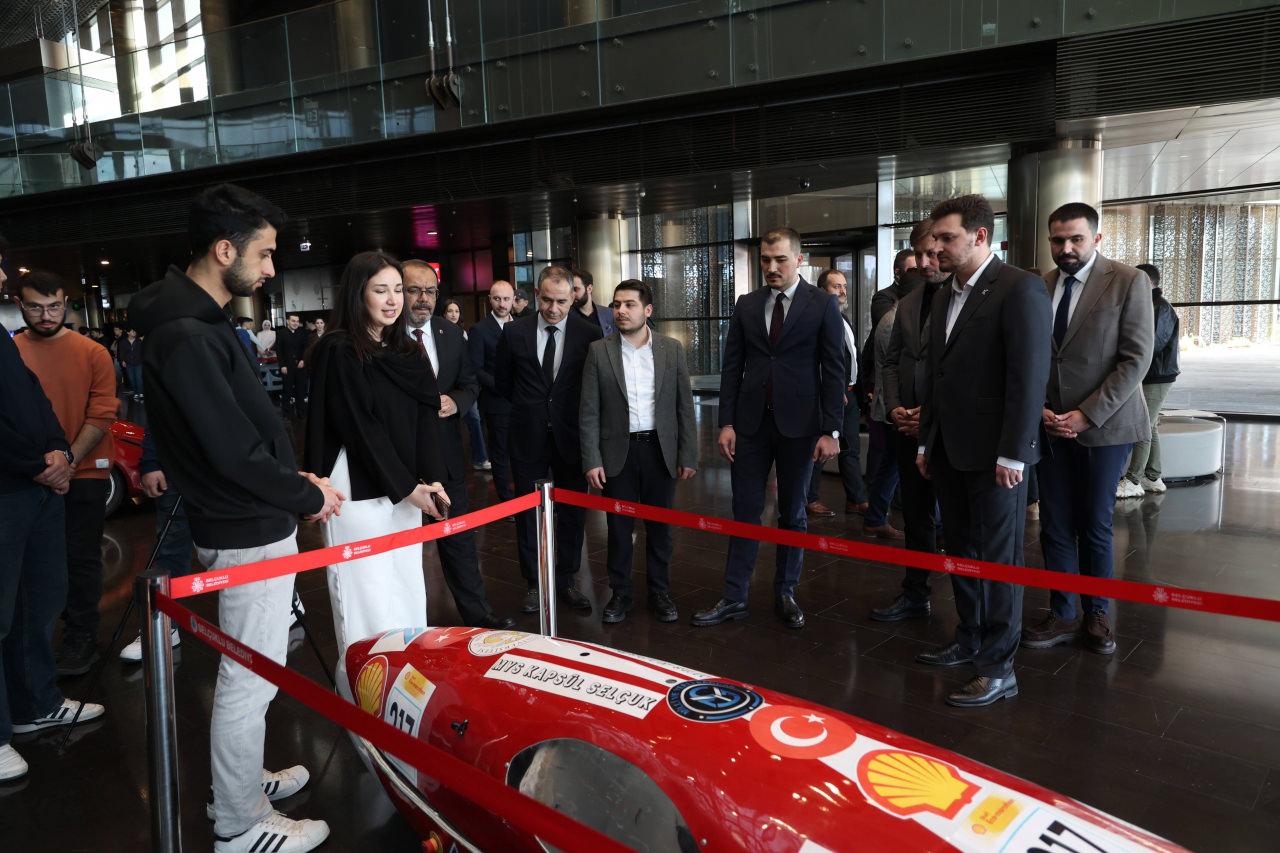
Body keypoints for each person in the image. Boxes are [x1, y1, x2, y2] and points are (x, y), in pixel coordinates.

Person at [130, 183, 341, 853]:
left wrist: (294, 483)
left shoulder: (199, 322)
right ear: (225, 250)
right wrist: (305, 494)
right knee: (247, 678)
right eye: (265, 254)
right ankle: (238, 821)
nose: (271, 268)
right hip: (243, 524)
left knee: (255, 669)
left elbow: (242, 433)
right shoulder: (187, 332)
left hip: (251, 516)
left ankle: (241, 781)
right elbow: (230, 450)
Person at [914, 194, 1051, 708]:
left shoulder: (1019, 288)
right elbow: (937, 375)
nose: (937, 248)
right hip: (949, 449)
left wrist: (1014, 454)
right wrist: (926, 440)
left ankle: (998, 667)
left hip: (997, 456)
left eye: (947, 238)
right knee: (960, 551)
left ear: (980, 236)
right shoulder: (942, 294)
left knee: (998, 559)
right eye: (935, 238)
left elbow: (1028, 377)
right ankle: (968, 637)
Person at [692, 227, 844, 631]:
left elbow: (834, 369)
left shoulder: (822, 304)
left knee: (793, 513)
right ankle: (734, 596)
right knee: (744, 510)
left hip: (801, 426)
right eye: (765, 259)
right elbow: (732, 367)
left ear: (799, 259)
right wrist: (726, 422)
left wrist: (832, 430)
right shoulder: (747, 304)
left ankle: (786, 592)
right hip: (750, 425)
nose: (771, 267)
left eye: (780, 259)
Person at [1021, 203, 1154, 657]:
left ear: (1096, 239)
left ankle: (1097, 613)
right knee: (1055, 523)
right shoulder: (1039, 286)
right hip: (1050, 426)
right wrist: (1039, 409)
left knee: (1094, 523)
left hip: (1105, 426)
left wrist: (1086, 414)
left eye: (1076, 239)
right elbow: (1033, 355)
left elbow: (1135, 359)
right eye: (1058, 240)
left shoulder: (1128, 281)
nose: (1066, 248)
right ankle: (1062, 612)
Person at [305, 252, 451, 654]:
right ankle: (364, 682)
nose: (393, 300)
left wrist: (432, 480)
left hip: (405, 485)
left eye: (398, 290)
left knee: (407, 583)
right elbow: (359, 426)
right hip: (356, 485)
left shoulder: (408, 350)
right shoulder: (340, 350)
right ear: (359, 294)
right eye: (380, 290)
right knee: (365, 592)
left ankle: (405, 674)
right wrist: (408, 487)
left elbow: (425, 416)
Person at [1, 250, 105, 782]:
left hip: (37, 485)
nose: (2, 275)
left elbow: (33, 402)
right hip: (14, 484)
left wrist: (60, 454)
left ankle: (35, 703)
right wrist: (40, 464)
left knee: (39, 601)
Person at [15, 270, 120, 676]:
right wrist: (41, 466)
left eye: (54, 306)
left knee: (81, 558)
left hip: (85, 471)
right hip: (30, 473)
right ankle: (38, 643)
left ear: (65, 303)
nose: (46, 315)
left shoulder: (93, 352)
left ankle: (82, 636)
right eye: (36, 307)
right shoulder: (11, 352)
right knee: (35, 564)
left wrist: (67, 460)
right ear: (20, 305)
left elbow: (102, 413)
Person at [402, 260, 513, 630]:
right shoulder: (383, 334)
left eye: (430, 291)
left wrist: (457, 401)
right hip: (399, 463)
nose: (423, 299)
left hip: (446, 458)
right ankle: (405, 625)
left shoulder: (449, 333)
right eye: (414, 290)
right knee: (401, 548)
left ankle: (479, 617)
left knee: (458, 541)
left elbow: (470, 383)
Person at [580, 280, 697, 624]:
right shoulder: (598, 351)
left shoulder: (671, 349)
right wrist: (591, 459)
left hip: (660, 451)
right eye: (616, 304)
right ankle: (620, 593)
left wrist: (688, 454)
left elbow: (684, 406)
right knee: (619, 529)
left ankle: (660, 592)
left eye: (629, 305)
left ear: (647, 310)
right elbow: (589, 411)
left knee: (660, 529)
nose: (620, 311)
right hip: (618, 454)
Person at [496, 266, 603, 614]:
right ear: (536, 295)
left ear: (574, 297)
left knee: (572, 512)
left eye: (561, 301)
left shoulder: (589, 334)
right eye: (546, 300)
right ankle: (533, 581)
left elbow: (592, 386)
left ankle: (566, 580)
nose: (553, 308)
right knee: (528, 513)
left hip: (571, 437)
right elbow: (503, 382)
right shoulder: (514, 332)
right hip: (527, 435)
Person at [873, 219, 949, 622]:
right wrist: (895, 408)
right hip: (905, 426)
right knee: (916, 517)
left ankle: (973, 615)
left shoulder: (969, 299)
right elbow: (891, 362)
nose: (923, 262)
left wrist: (931, 414)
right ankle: (915, 592)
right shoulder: (909, 302)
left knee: (955, 523)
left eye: (931, 252)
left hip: (949, 430)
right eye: (918, 253)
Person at [119, 430, 193, 661]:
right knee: (170, 549)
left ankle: (278, 608)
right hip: (178, 468)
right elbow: (159, 415)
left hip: (228, 468)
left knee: (240, 549)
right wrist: (151, 462)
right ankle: (163, 627)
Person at [804, 269, 867, 519]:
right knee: (820, 449)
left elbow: (851, 357)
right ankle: (810, 499)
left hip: (850, 395)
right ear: (822, 291)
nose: (842, 291)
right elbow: (819, 361)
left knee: (850, 449)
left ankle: (856, 500)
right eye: (836, 286)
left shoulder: (844, 319)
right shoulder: (816, 321)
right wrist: (834, 390)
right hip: (831, 395)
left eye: (844, 286)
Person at [1118, 262, 1179, 498]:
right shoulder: (1148, 305)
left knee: (1142, 425)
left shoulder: (1159, 308)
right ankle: (1153, 477)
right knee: (1150, 425)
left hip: (1157, 376)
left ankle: (1133, 480)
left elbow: (1151, 345)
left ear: (1147, 282)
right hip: (1152, 374)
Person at [861, 278, 907, 541]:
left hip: (893, 407)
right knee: (893, 464)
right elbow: (894, 370)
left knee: (891, 464)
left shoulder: (895, 318)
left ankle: (875, 517)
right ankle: (876, 517)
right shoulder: (892, 322)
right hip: (893, 409)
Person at [468, 280, 516, 502]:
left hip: (522, 401)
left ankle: (524, 497)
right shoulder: (479, 330)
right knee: (500, 453)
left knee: (522, 452)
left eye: (506, 299)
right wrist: (502, 387)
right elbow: (476, 368)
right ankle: (506, 500)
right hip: (496, 402)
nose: (502, 304)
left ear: (513, 300)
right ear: (490, 300)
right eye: (497, 299)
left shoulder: (521, 326)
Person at [440, 297, 490, 471]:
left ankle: (480, 458)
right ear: (444, 314)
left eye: (457, 311)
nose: (454, 314)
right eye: (450, 311)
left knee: (475, 420)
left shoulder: (463, 333)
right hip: (446, 387)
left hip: (463, 387)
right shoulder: (438, 332)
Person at [275, 313, 309, 417]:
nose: (295, 323)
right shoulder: (281, 333)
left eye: (297, 321)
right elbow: (279, 350)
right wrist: (282, 365)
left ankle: (301, 413)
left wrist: (303, 360)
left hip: (300, 366)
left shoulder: (303, 332)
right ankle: (286, 413)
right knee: (287, 390)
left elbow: (306, 348)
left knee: (301, 390)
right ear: (287, 321)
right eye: (293, 321)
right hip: (287, 366)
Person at [572, 268, 617, 336]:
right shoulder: (566, 315)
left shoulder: (609, 314)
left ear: (589, 289)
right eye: (570, 290)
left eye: (575, 289)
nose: (572, 294)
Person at [116, 327, 145, 400]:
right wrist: (122, 360)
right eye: (132, 331)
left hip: (138, 362)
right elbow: (121, 352)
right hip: (129, 363)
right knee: (131, 379)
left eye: (135, 331)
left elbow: (143, 351)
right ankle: (136, 393)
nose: (134, 332)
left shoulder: (139, 341)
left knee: (139, 378)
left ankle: (141, 393)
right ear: (128, 332)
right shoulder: (123, 342)